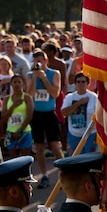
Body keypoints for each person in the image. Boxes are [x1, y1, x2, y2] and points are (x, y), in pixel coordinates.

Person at [27, 50, 64, 188]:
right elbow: (29, 94)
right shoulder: (30, 75)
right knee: (39, 147)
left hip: (49, 113)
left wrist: (43, 78)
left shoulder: (54, 74)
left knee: (55, 146)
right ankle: (44, 175)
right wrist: (36, 78)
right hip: (36, 115)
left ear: (46, 61)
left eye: (40, 61)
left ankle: (65, 172)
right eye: (35, 61)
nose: (38, 64)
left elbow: (55, 93)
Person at [61, 72, 99, 155]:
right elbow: (64, 113)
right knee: (77, 159)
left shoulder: (94, 97)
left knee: (89, 158)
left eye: (83, 81)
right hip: (74, 134)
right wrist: (78, 103)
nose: (80, 84)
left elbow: (99, 116)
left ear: (88, 84)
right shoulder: (69, 97)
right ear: (75, 84)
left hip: (90, 134)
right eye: (78, 82)